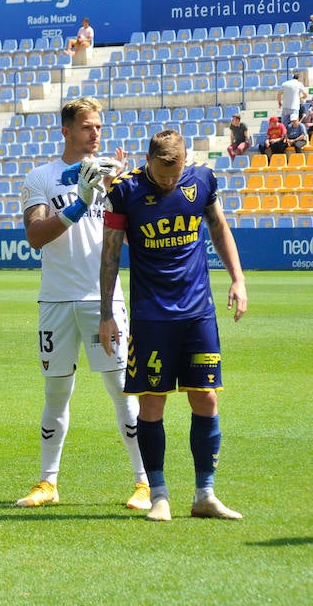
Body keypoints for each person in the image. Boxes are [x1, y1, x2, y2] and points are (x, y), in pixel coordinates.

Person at [99, 129, 247, 522]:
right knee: (152, 403)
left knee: (207, 398)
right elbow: (110, 254)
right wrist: (105, 313)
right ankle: (160, 495)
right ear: (148, 160)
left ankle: (205, 494)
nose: (168, 181)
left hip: (198, 311)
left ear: (184, 162)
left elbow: (218, 228)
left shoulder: (201, 179)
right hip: (151, 315)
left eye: (174, 174)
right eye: (162, 175)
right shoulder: (124, 192)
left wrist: (238, 278)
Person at [15, 98, 149, 511]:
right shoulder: (41, 177)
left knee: (122, 389)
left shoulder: (115, 179)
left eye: (99, 126)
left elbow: (133, 241)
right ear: (66, 131)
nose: (96, 134)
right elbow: (36, 236)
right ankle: (47, 482)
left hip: (101, 298)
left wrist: (121, 194)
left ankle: (145, 483)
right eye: (88, 127)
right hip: (55, 301)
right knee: (56, 393)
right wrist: (79, 203)